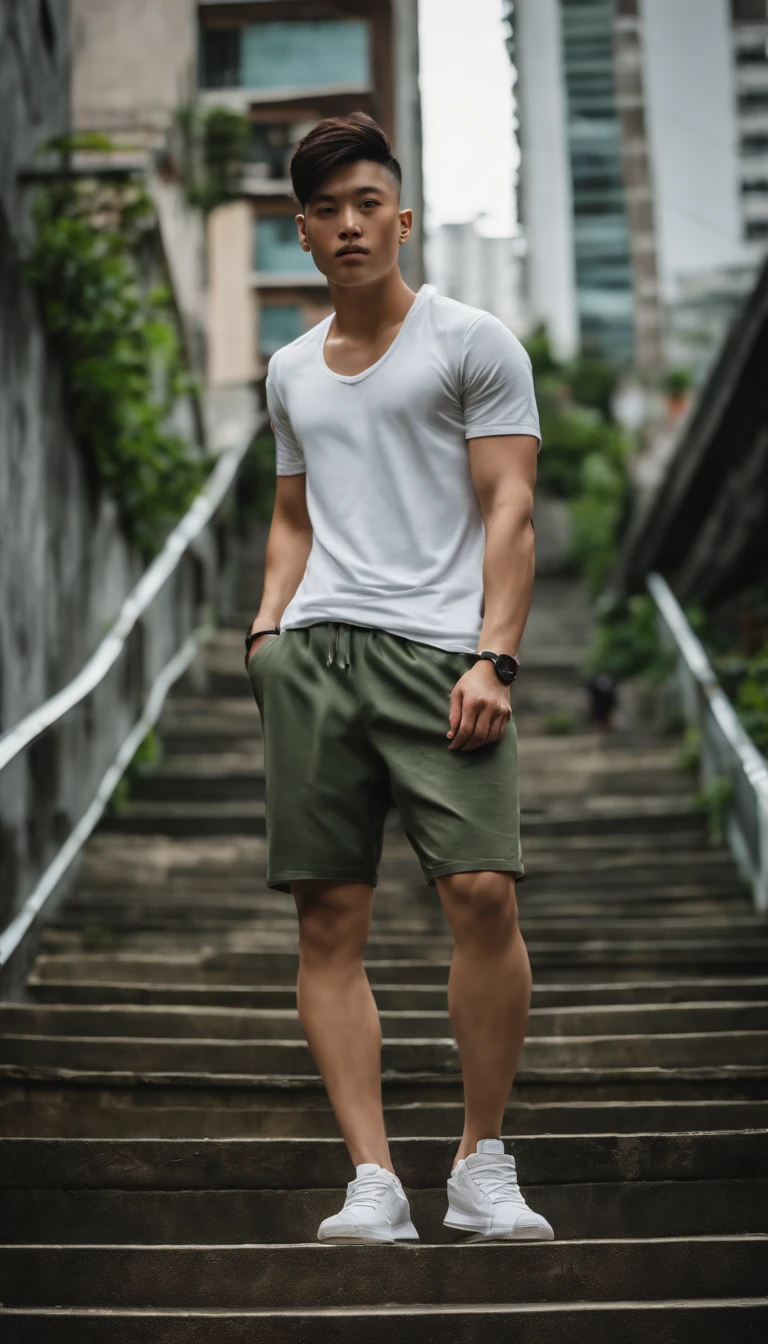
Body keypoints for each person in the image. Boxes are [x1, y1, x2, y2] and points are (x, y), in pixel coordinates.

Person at [245, 112, 553, 1245]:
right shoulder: (287, 371)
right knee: (328, 918)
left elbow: (508, 508)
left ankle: (481, 1160)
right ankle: (372, 1177)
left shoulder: (473, 342)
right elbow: (290, 515)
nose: (348, 226)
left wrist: (495, 653)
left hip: (443, 658)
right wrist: (268, 628)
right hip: (315, 658)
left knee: (482, 894)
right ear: (305, 235)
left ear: (402, 216)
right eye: (324, 212)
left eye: (366, 203)